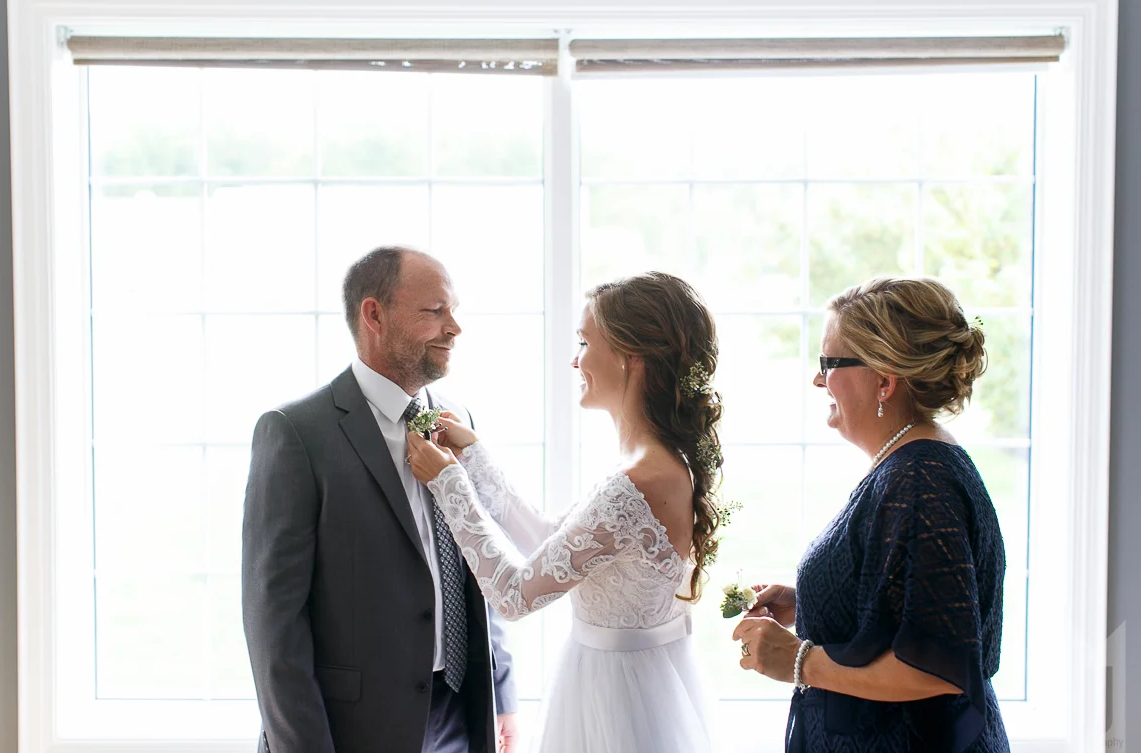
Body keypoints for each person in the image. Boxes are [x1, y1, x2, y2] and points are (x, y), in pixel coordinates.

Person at [405, 271, 724, 753]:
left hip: (618, 705)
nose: (575, 359)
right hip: (623, 684)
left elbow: (514, 595)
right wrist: (473, 458)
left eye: (584, 342)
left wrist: (449, 485)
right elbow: (552, 541)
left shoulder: (640, 481)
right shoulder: (654, 464)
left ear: (632, 357)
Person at [242, 246, 518, 753]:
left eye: (454, 310)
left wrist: (502, 694)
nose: (454, 327)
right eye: (435, 311)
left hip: (464, 718)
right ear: (375, 315)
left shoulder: (457, 420)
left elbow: (479, 561)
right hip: (355, 729)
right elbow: (274, 625)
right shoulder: (296, 433)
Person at [732, 276, 1010, 752]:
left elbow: (937, 666)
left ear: (884, 381)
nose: (818, 379)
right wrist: (812, 604)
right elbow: (911, 609)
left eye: (829, 364)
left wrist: (798, 660)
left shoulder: (920, 480)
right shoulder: (909, 466)